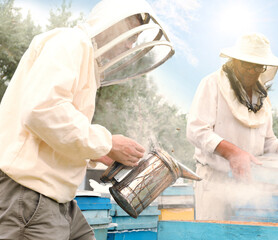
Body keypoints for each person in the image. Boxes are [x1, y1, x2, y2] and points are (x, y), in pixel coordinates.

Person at [0, 0, 174, 239]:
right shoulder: (70, 43)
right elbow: (43, 110)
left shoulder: (85, 59)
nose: (131, 43)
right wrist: (108, 143)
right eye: (129, 32)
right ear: (110, 23)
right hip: (29, 193)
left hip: (58, 197)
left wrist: (97, 153)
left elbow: (59, 126)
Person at [186, 32, 278, 220]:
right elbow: (196, 130)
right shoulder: (212, 83)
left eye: (258, 66)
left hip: (250, 184)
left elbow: (267, 141)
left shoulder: (262, 98)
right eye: (247, 65)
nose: (252, 71)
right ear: (234, 61)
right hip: (215, 182)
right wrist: (233, 152)